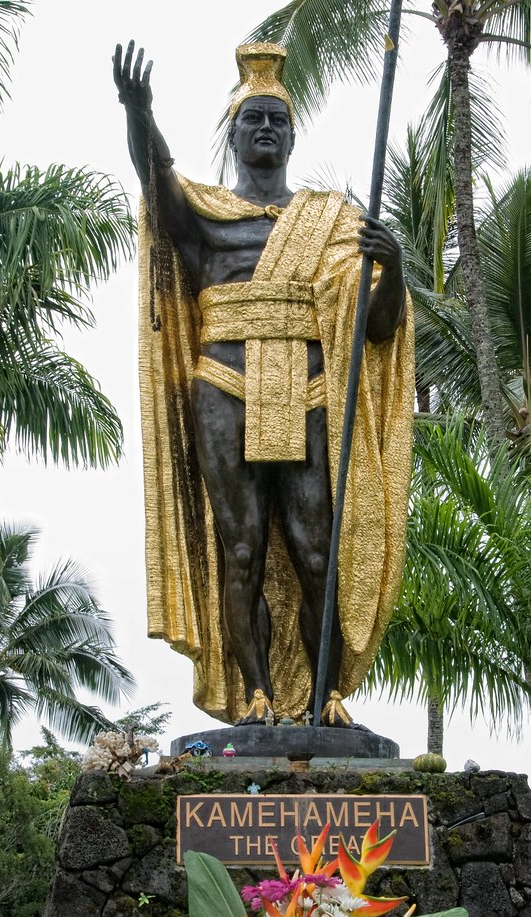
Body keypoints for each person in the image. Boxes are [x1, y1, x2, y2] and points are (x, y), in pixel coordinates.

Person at [113, 39, 414, 726]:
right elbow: (155, 178)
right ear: (234, 132)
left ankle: (323, 695)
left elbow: (379, 326)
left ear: (291, 133)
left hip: (305, 386)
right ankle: (253, 692)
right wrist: (139, 112)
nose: (266, 129)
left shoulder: (333, 221)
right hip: (225, 380)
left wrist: (390, 266)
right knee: (241, 545)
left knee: (315, 550)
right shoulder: (208, 213)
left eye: (277, 120)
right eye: (254, 119)